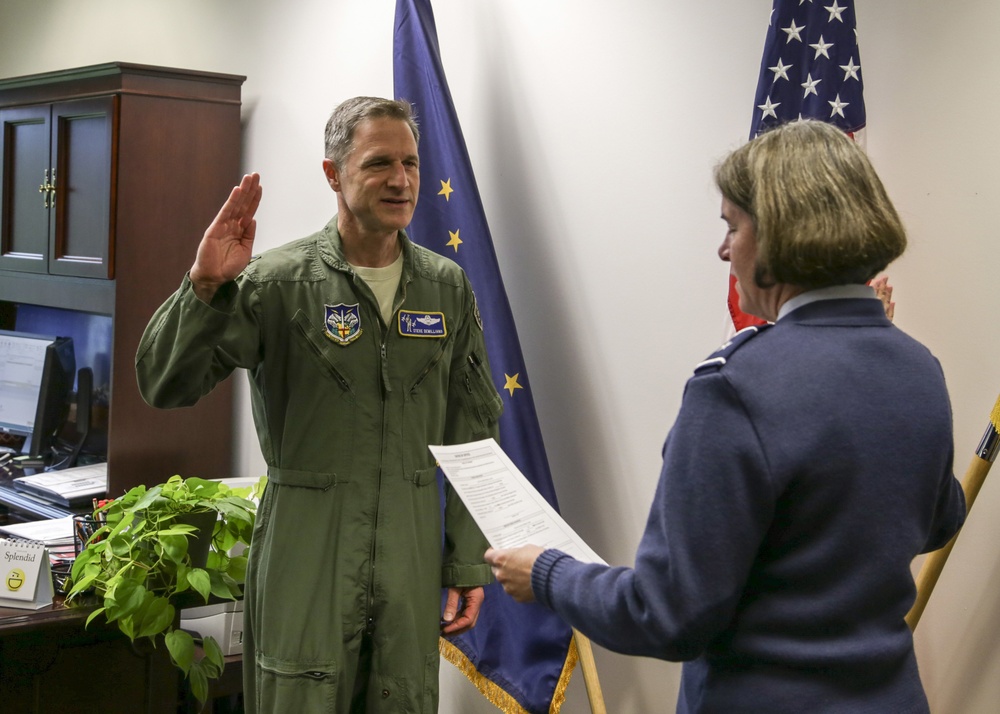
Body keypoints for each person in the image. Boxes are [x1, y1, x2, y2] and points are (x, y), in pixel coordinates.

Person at [485, 120, 966, 713]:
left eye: (732, 226)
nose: (723, 248)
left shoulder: (736, 388)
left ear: (779, 235)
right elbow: (939, 520)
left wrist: (546, 573)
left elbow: (665, 614)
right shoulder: (919, 368)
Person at [136, 96, 502, 713]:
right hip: (307, 547)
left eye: (411, 163)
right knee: (297, 697)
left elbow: (472, 432)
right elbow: (165, 386)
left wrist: (467, 557)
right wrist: (203, 288)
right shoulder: (276, 283)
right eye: (379, 162)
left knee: (402, 698)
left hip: (409, 549)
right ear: (333, 174)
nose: (401, 179)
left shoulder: (446, 287)